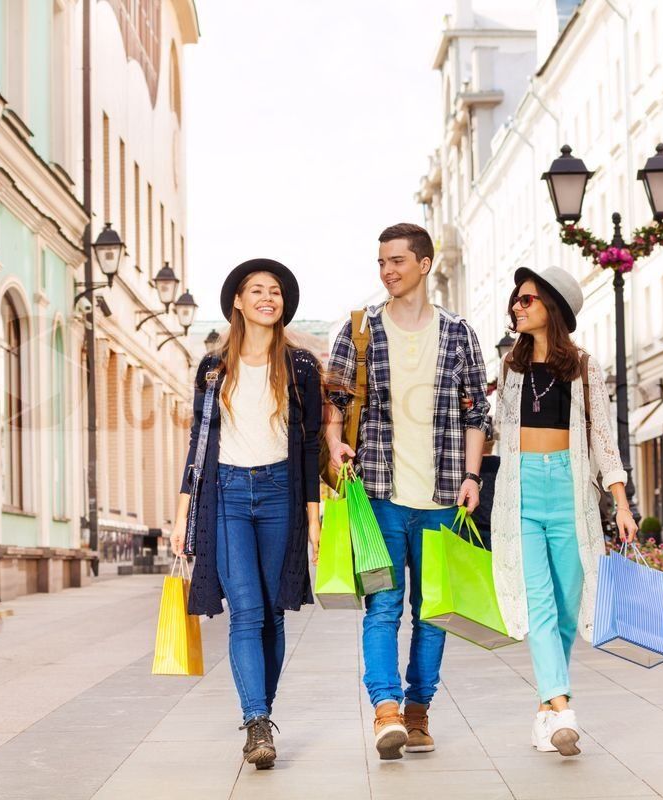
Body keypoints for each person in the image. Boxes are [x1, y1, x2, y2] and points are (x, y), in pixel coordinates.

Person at [325, 223, 490, 760]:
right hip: (377, 498)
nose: (387, 271)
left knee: (433, 610)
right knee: (382, 608)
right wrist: (334, 444)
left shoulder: (460, 333)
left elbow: (475, 414)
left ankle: (418, 710)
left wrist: (472, 477)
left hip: (443, 498)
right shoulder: (359, 331)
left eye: (397, 261)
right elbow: (336, 403)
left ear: (424, 264)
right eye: (381, 262)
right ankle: (386, 710)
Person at [170, 259, 322, 770]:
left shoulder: (300, 367)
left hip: (281, 490)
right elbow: (198, 443)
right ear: (237, 300)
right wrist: (182, 512)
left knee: (274, 612)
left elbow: (307, 445)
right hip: (228, 494)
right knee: (247, 612)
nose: (267, 298)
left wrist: (313, 515)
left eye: (275, 291)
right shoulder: (214, 367)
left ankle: (262, 713)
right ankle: (256, 720)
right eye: (256, 290)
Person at [489, 266, 638, 758]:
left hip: (571, 492)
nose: (517, 306)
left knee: (569, 608)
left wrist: (620, 502)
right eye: (516, 300)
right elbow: (497, 430)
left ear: (551, 306)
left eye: (526, 299)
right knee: (540, 605)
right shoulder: (510, 369)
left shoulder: (584, 366)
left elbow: (602, 438)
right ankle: (564, 709)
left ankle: (546, 712)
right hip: (523, 492)